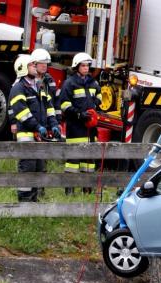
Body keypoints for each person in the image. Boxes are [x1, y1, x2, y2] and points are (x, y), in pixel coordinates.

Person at [8, 54, 60, 202]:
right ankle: (24, 200)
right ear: (23, 68)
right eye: (32, 65)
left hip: (39, 135)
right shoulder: (18, 88)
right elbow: (22, 113)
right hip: (27, 135)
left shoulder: (39, 86)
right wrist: (37, 127)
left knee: (39, 167)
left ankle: (34, 200)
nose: (35, 67)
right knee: (27, 168)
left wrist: (54, 125)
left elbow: (49, 107)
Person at [59, 52, 101, 195]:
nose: (86, 68)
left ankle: (87, 190)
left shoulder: (93, 82)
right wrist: (79, 114)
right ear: (77, 67)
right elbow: (64, 105)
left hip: (90, 131)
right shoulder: (69, 83)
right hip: (76, 128)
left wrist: (95, 104)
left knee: (89, 162)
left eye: (87, 65)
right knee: (73, 161)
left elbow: (99, 96)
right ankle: (69, 192)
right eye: (83, 65)